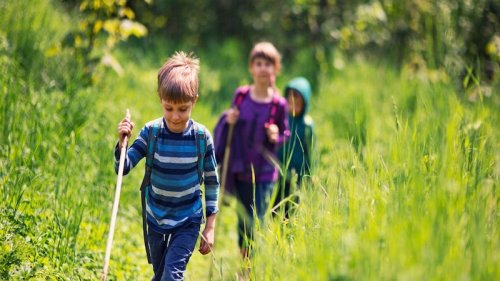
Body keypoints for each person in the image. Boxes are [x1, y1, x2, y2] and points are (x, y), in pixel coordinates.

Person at [115, 51, 219, 281]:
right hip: (156, 217)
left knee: (171, 276)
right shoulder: (151, 133)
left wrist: (210, 227)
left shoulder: (201, 138)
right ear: (161, 99)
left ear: (195, 101)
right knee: (160, 274)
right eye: (168, 108)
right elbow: (123, 167)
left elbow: (212, 183)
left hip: (188, 219)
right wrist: (122, 143)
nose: (174, 116)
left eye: (182, 109)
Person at [214, 42, 289, 258]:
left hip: (264, 172)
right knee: (243, 219)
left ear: (275, 68)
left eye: (268, 64)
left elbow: (285, 134)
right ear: (251, 68)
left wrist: (276, 134)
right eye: (259, 63)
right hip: (241, 170)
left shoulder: (278, 104)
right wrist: (229, 120)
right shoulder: (241, 96)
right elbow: (229, 126)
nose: (263, 68)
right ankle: (244, 261)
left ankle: (250, 266)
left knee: (257, 218)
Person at [275, 77, 314, 218]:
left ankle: (287, 233)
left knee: (291, 209)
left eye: (297, 104)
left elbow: (311, 152)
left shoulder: (307, 125)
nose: (293, 106)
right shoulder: (282, 119)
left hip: (297, 175)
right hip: (279, 172)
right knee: (275, 206)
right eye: (290, 102)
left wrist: (310, 175)